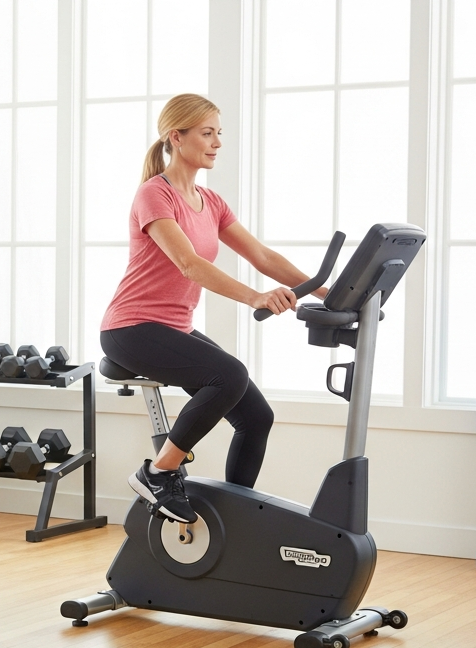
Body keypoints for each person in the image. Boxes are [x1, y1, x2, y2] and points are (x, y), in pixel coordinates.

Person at [99, 94, 327, 524]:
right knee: (229, 375)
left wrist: (326, 291)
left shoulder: (212, 201)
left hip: (172, 328)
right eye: (207, 133)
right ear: (176, 137)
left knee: (257, 416)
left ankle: (233, 518)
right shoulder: (154, 195)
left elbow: (261, 255)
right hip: (130, 327)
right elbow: (189, 263)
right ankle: (158, 473)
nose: (217, 142)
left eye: (219, 133)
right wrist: (256, 297)